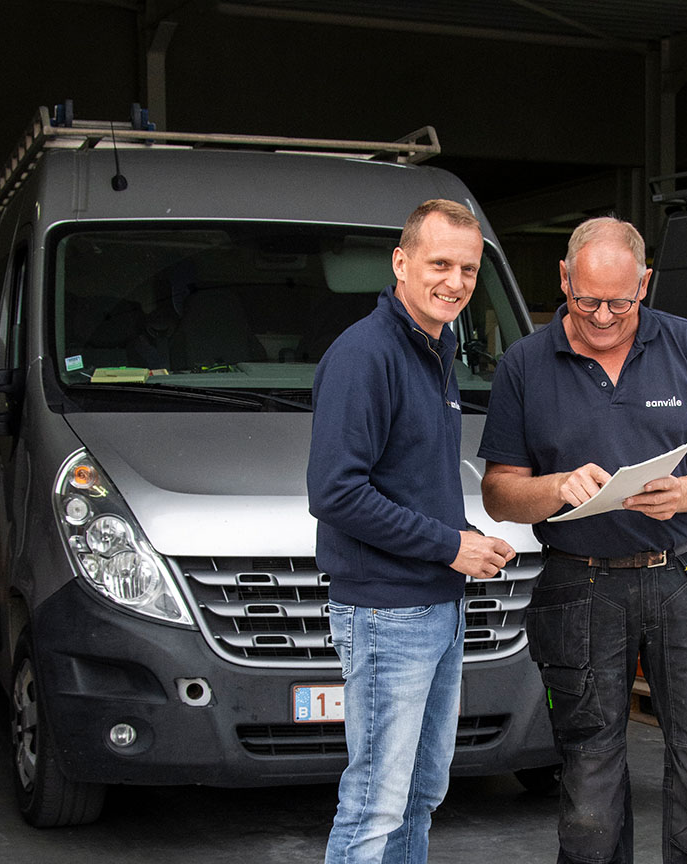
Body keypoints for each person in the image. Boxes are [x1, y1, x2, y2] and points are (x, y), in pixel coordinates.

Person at [478, 216, 687, 864]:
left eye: (621, 302)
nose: (603, 316)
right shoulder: (524, 365)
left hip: (684, 574)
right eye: (587, 300)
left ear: (645, 284)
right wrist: (556, 489)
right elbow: (498, 491)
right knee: (590, 775)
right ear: (565, 279)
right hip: (581, 584)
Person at [307, 198, 516, 864]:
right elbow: (335, 492)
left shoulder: (439, 348)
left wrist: (469, 536)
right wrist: (450, 545)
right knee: (376, 802)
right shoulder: (364, 356)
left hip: (438, 603)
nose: (455, 282)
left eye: (468, 269)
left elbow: (411, 482)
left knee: (422, 792)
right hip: (384, 612)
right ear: (401, 263)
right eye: (439, 264)